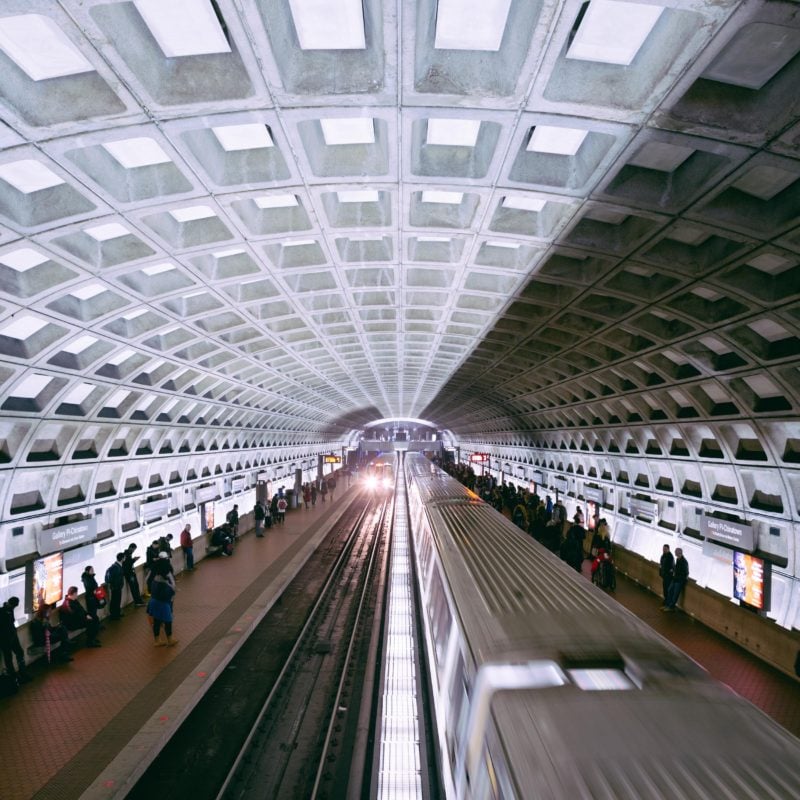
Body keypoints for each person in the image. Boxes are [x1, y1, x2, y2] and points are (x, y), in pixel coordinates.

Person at [147, 560, 178, 647]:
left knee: (156, 621)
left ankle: (157, 640)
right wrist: (172, 589)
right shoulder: (163, 583)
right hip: (162, 604)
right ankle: (170, 639)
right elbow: (168, 593)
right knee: (168, 621)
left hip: (153, 602)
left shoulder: (154, 580)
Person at [0, 597, 30, 683]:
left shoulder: (9, 610)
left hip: (11, 637)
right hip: (5, 639)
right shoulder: (2, 612)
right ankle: (14, 676)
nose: (14, 608)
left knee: (18, 653)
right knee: (9, 657)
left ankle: (19, 674)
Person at [105, 552, 125, 620]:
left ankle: (117, 613)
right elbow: (114, 578)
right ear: (122, 558)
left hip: (116, 587)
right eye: (124, 557)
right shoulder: (116, 567)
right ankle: (115, 615)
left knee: (116, 600)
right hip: (116, 587)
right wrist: (115, 585)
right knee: (115, 601)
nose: (125, 558)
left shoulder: (116, 565)